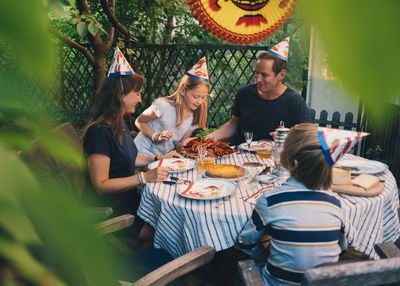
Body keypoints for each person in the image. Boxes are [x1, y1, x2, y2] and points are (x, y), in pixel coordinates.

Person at [83, 47, 179, 247]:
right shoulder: (99, 132)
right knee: (171, 230)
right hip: (113, 211)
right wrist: (143, 177)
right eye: (137, 93)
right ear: (120, 95)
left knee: (172, 217)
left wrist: (158, 159)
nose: (140, 99)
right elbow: (100, 185)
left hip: (132, 201)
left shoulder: (119, 123)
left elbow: (128, 158)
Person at [238, 123, 355, 286]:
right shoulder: (335, 202)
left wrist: (264, 255)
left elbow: (245, 242)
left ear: (292, 163)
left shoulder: (270, 200)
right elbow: (342, 248)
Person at [205, 37, 311, 144]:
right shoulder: (244, 94)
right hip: (241, 155)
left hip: (273, 158)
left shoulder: (295, 101)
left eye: (264, 75)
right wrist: (215, 135)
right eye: (257, 73)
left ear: (282, 74)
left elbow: (307, 136)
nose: (258, 79)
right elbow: (234, 123)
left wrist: (288, 136)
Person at [134, 57, 209, 155]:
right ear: (182, 90)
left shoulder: (194, 117)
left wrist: (185, 144)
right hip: (140, 153)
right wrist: (156, 136)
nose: (199, 101)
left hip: (161, 159)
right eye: (195, 96)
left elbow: (178, 145)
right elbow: (139, 121)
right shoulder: (163, 106)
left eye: (203, 97)